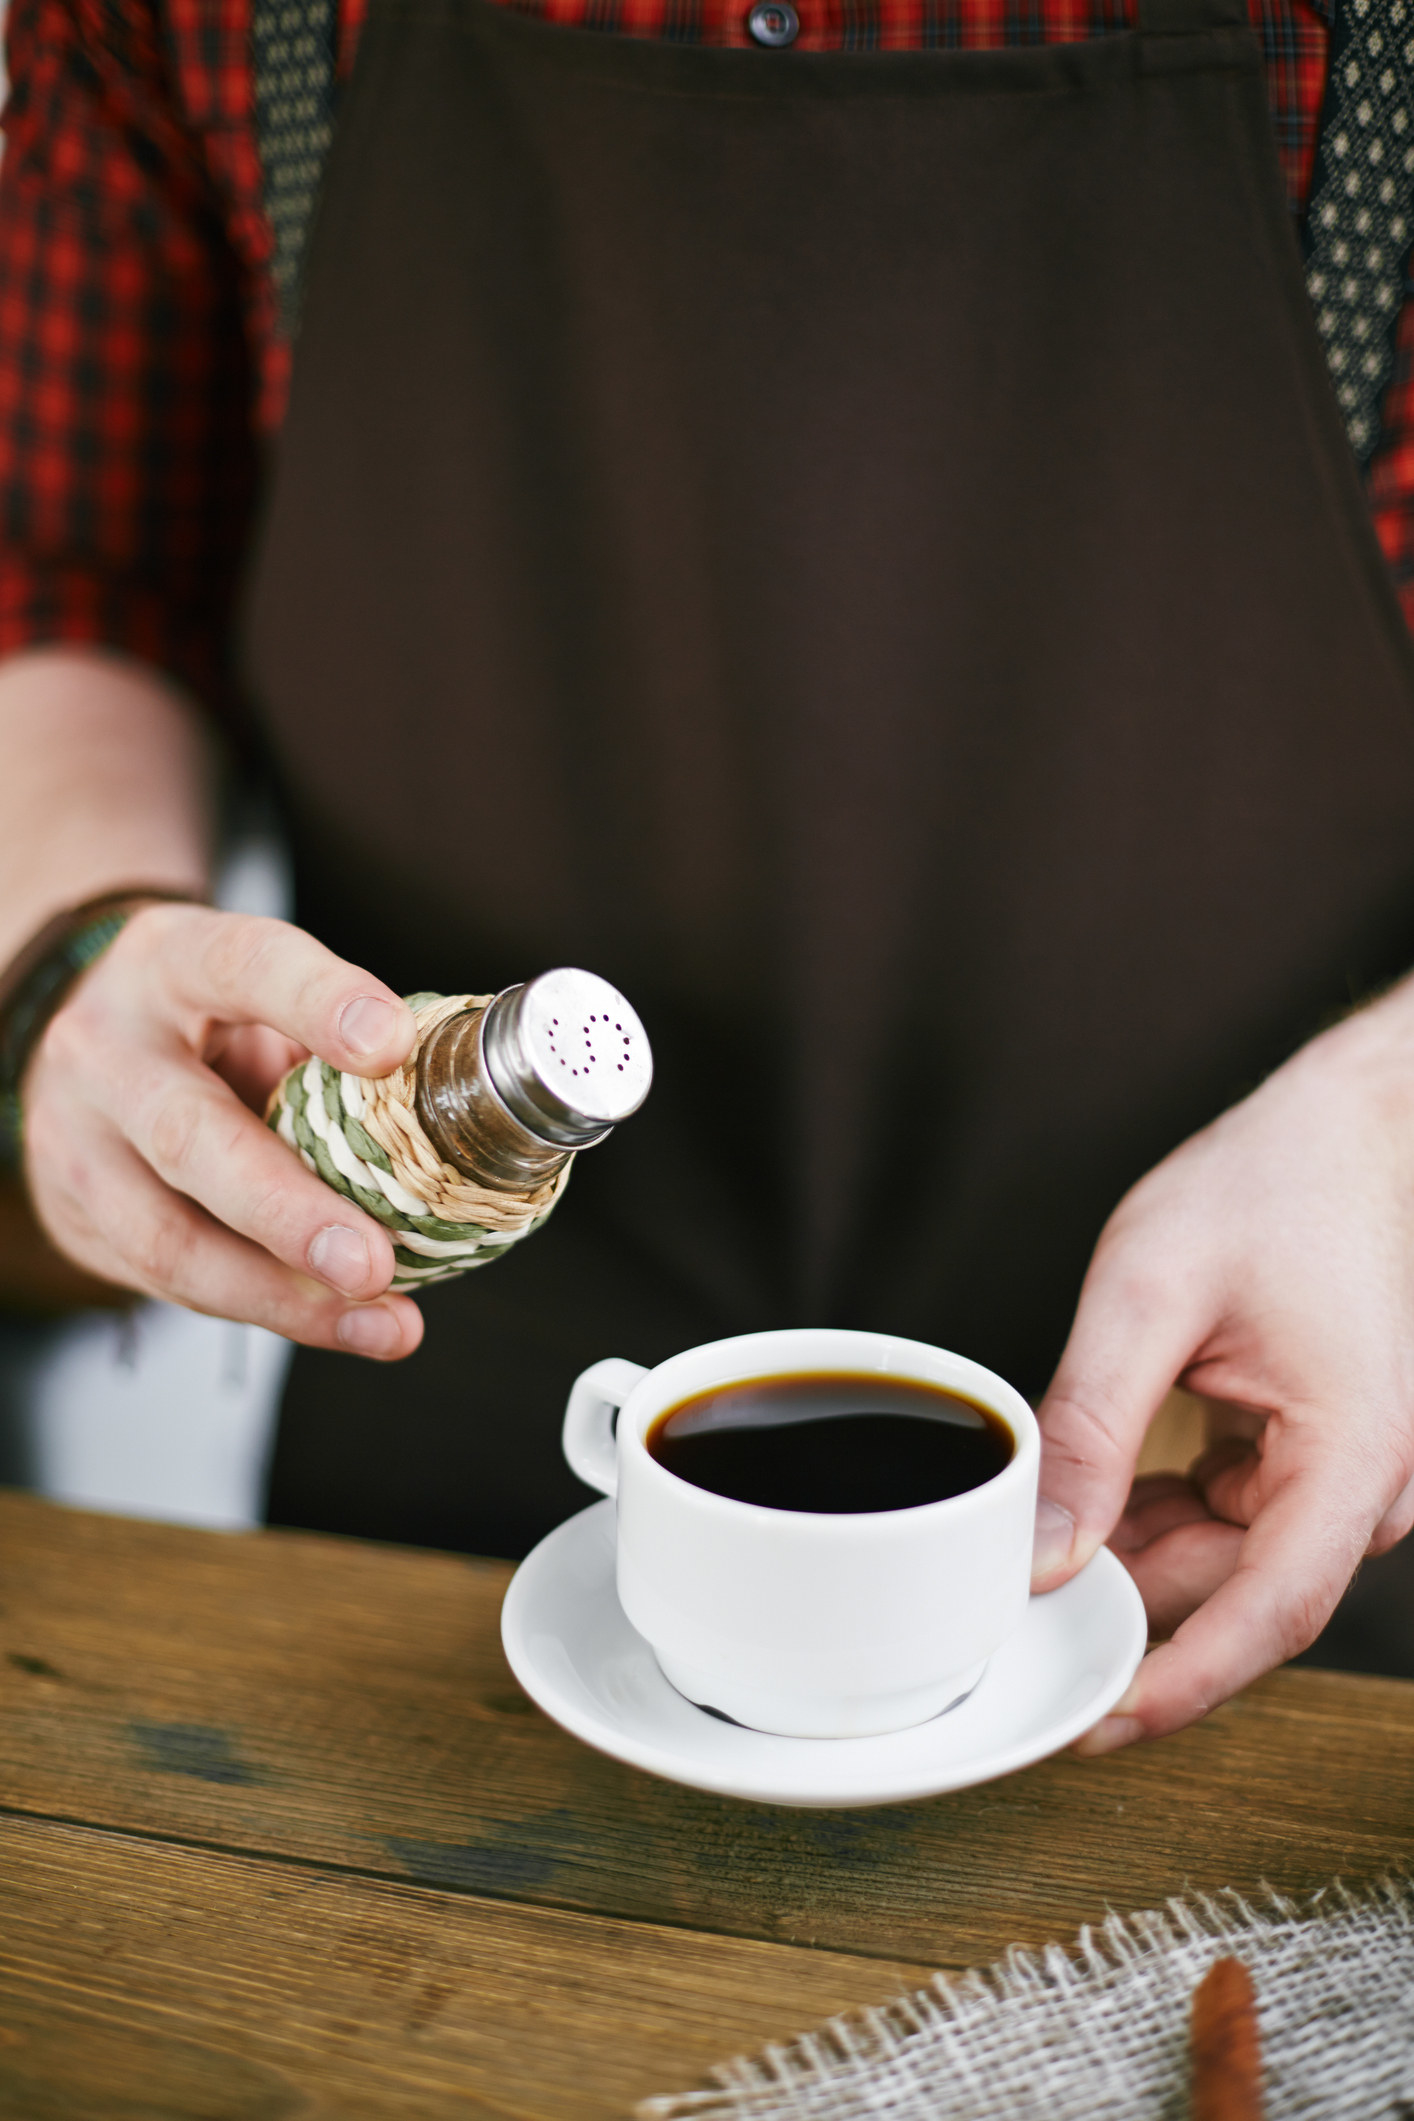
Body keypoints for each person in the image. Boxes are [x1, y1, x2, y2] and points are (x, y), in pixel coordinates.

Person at [1, 0, 1413, 1760]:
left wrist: (1389, 1126)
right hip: (438, 1484)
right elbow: (71, 576)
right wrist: (72, 955)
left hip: (1249, 1485)